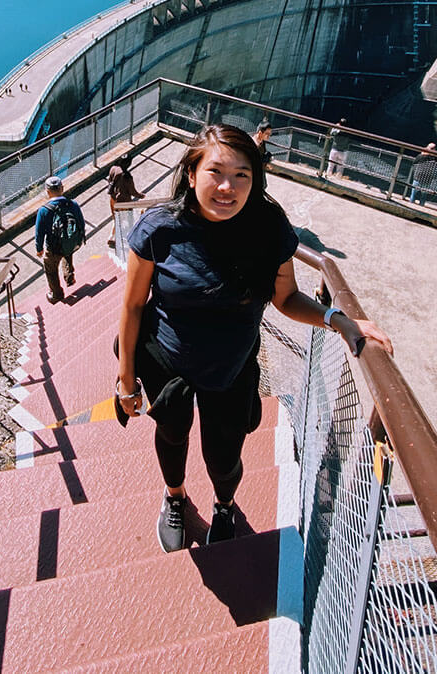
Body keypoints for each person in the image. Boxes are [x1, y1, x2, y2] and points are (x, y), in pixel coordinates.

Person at [116, 124, 392, 552]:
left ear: (255, 179)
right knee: (171, 433)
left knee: (224, 457)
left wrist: (339, 319)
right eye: (216, 172)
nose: (227, 187)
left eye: (242, 175)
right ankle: (175, 497)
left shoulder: (267, 228)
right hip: (165, 358)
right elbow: (133, 305)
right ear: (192, 174)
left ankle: (224, 504)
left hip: (230, 365)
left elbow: (287, 298)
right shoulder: (160, 228)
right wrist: (126, 379)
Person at [35, 176, 85, 304]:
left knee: (50, 270)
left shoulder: (44, 210)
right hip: (71, 242)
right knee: (67, 251)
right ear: (62, 189)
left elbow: (39, 232)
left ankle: (56, 294)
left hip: (53, 248)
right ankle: (69, 277)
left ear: (47, 192)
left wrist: (39, 249)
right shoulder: (73, 204)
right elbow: (81, 223)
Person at [105, 155, 142, 249]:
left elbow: (110, 181)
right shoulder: (127, 176)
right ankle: (118, 238)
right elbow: (132, 191)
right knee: (124, 219)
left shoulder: (113, 168)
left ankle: (111, 236)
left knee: (116, 218)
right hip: (124, 202)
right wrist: (141, 195)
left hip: (113, 199)